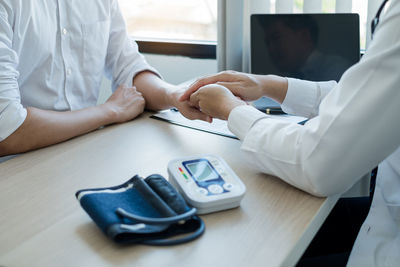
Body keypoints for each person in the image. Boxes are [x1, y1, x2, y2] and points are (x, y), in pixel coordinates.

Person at [180, 0, 399, 266]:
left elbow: (318, 164)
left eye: (276, 38)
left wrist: (232, 110)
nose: (272, 47)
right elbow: (366, 100)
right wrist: (267, 84)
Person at [0, 0, 210, 157]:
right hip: (17, 168)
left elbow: (129, 67)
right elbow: (7, 129)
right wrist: (108, 111)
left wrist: (176, 96)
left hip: (82, 151)